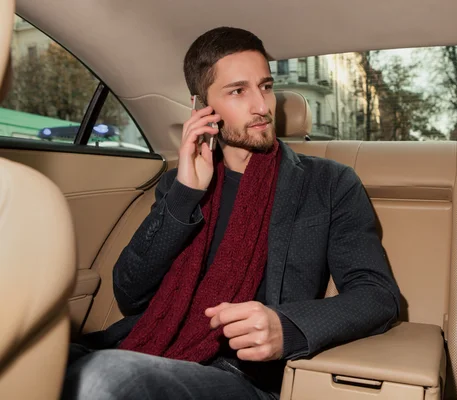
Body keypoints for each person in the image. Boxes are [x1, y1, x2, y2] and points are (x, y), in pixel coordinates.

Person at [61, 26, 401, 400]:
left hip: (242, 375)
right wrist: (185, 194)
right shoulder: (180, 184)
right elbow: (129, 294)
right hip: (148, 348)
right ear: (202, 109)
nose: (262, 106)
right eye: (238, 91)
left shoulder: (328, 183)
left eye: (266, 86)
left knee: (103, 377)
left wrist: (286, 326)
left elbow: (377, 295)